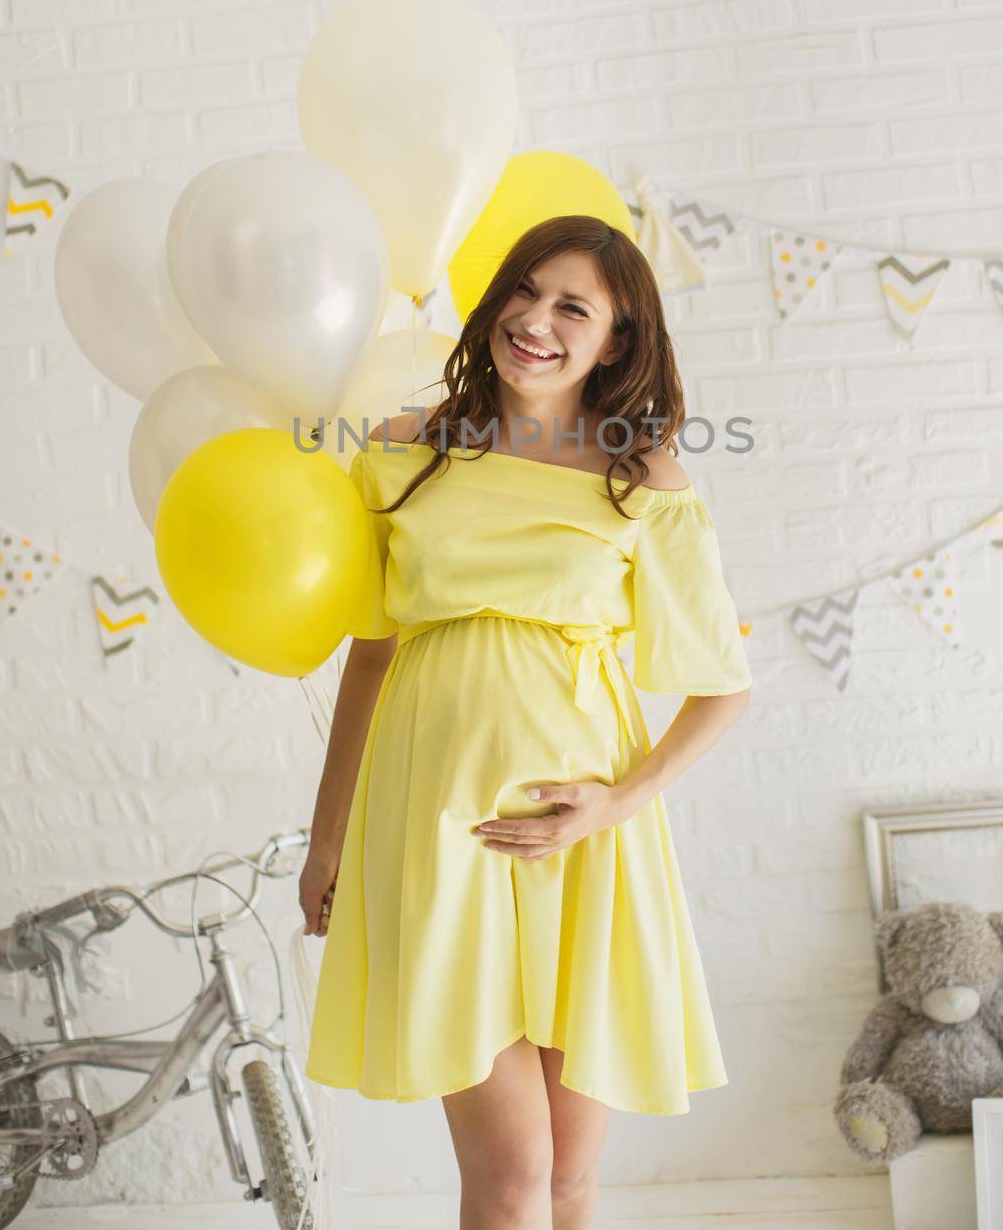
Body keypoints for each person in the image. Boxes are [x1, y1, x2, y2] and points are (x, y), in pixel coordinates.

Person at [299, 214, 753, 1230]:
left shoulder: (641, 481)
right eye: (523, 289)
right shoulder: (403, 450)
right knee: (510, 1177)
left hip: (586, 841)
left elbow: (722, 686)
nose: (534, 320)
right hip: (440, 827)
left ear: (616, 343)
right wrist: (328, 835)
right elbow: (369, 655)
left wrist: (610, 806)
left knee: (566, 1180)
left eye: (570, 307)